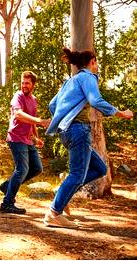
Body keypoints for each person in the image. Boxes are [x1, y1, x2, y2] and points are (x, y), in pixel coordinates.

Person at [44, 47, 134, 228]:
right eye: (97, 61)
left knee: (99, 168)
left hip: (66, 131)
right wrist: (120, 113)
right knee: (77, 174)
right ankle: (54, 213)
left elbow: (52, 105)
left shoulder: (70, 81)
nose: (97, 65)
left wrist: (63, 120)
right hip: (78, 130)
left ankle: (64, 192)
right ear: (92, 61)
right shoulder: (88, 77)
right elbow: (95, 100)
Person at [0, 71, 50, 214]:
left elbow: (31, 120)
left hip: (27, 139)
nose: (24, 85)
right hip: (15, 137)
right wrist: (40, 121)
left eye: (27, 83)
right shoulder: (18, 96)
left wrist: (37, 137)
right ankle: (7, 203)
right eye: (22, 82)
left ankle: (8, 186)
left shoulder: (34, 99)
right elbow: (19, 114)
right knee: (22, 169)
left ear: (33, 84)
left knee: (37, 169)